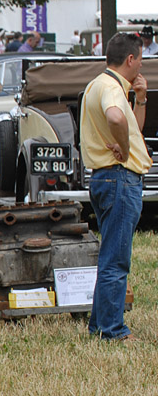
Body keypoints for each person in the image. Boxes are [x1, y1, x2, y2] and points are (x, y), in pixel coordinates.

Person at [79, 32, 150, 341]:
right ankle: (113, 330)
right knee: (116, 260)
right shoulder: (111, 88)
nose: (142, 65)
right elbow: (116, 119)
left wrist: (142, 99)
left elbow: (132, 127)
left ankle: (99, 324)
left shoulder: (99, 84)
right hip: (120, 177)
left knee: (110, 255)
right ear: (130, 59)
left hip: (105, 178)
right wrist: (123, 148)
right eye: (141, 59)